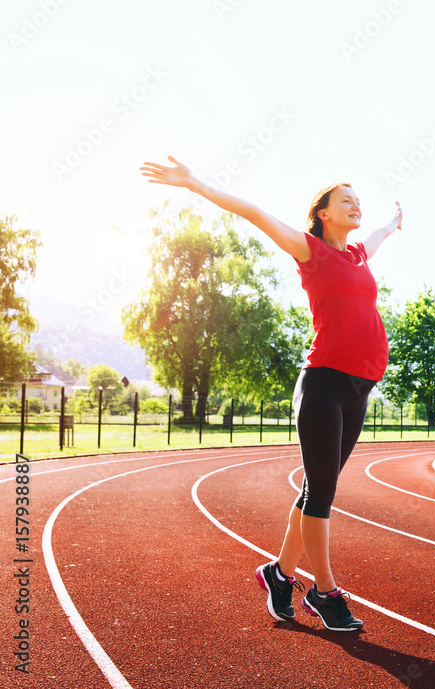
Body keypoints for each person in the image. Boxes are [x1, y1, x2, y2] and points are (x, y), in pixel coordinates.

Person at [140, 156, 401, 631]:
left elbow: (379, 235)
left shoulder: (359, 255)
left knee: (315, 490)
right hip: (323, 384)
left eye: (358, 200)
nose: (355, 205)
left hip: (359, 389)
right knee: (322, 494)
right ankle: (324, 592)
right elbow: (256, 213)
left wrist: (392, 223)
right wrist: (196, 184)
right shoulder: (309, 250)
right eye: (346, 200)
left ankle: (279, 575)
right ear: (323, 213)